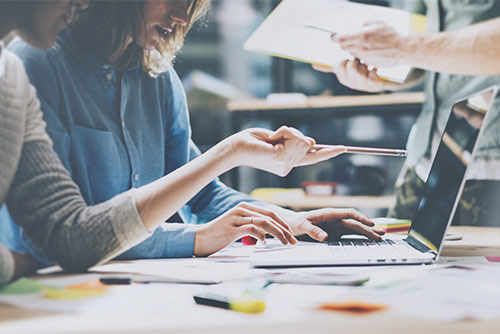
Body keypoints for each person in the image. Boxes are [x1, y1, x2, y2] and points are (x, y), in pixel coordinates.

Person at [0, 0, 384, 283]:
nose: (182, 17)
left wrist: (290, 221)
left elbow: (200, 197)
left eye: (192, 4)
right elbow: (59, 236)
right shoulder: (31, 64)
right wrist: (197, 238)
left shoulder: (158, 78)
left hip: (133, 290)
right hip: (54, 288)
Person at [314, 0, 500, 225]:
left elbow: (412, 45)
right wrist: (379, 77)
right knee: (391, 256)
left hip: (490, 162)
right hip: (424, 157)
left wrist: (405, 47)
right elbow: (417, 50)